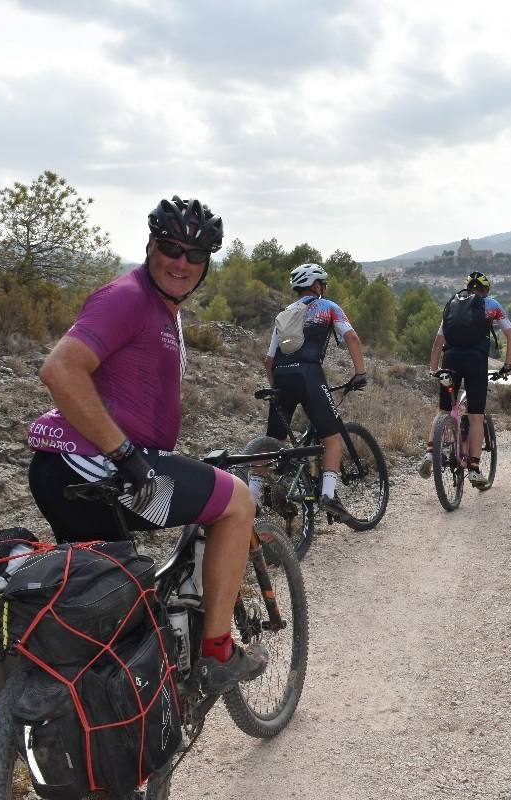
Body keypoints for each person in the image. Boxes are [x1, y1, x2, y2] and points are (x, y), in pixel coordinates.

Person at [25, 196, 266, 696]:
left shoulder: (159, 308)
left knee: (108, 597)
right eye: (171, 247)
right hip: (102, 471)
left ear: (205, 267)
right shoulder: (128, 297)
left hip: (69, 473)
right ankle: (218, 652)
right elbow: (60, 370)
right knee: (236, 502)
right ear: (150, 244)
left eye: (194, 255)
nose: (180, 262)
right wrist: (126, 455)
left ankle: (99, 700)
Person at [259, 263, 367, 520]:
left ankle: (253, 497)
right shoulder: (328, 307)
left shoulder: (284, 314)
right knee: (331, 438)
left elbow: (268, 361)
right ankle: (328, 494)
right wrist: (360, 373)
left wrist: (278, 388)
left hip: (281, 378)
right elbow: (351, 337)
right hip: (309, 376)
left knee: (273, 443)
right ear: (318, 286)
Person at [418, 271, 511, 487]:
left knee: (443, 410)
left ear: (467, 288)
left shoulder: (453, 304)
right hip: (476, 361)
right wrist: (508, 366)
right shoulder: (491, 304)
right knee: (475, 416)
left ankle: (430, 452)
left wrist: (434, 370)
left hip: (450, 359)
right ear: (486, 290)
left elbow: (437, 343)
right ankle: (473, 468)